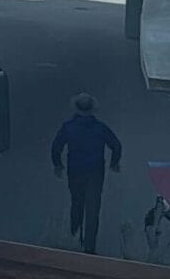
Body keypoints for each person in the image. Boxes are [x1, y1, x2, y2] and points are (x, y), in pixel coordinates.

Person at [48, 93, 122, 253]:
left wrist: (58, 165)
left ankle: (75, 237)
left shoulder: (68, 127)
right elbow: (116, 145)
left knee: (77, 204)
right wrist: (114, 163)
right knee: (93, 209)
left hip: (75, 171)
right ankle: (90, 247)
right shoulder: (101, 128)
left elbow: (56, 147)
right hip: (95, 172)